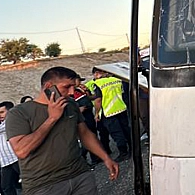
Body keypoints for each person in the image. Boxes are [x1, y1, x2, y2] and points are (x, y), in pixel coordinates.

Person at [5, 66, 119, 195]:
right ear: (49, 87)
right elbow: (22, 150)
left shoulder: (70, 104)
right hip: (43, 185)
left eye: (73, 87)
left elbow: (85, 133)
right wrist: (52, 118)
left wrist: (106, 158)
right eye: (66, 87)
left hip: (80, 175)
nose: (71, 92)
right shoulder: (19, 113)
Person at [92, 68, 131, 163]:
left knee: (117, 133)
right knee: (126, 129)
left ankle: (123, 152)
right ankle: (132, 147)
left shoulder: (98, 83)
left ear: (97, 73)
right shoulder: (116, 80)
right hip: (121, 108)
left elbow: (98, 100)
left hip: (108, 112)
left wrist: (97, 113)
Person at [0, 102, 20, 195]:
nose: (0, 115)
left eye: (2, 112)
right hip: (5, 161)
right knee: (6, 187)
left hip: (16, 158)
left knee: (29, 182)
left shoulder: (12, 121)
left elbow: (3, 128)